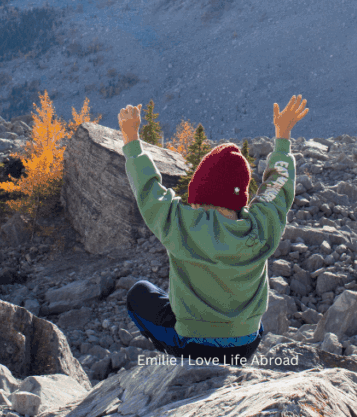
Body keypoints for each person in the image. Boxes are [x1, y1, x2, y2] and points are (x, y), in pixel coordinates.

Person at [120, 95, 309, 365]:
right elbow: (277, 188)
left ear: (199, 195)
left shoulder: (181, 223)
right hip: (246, 343)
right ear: (239, 198)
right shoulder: (260, 227)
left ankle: (180, 364)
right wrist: (282, 137)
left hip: (194, 346)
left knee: (139, 293)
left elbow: (149, 191)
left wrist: (132, 141)